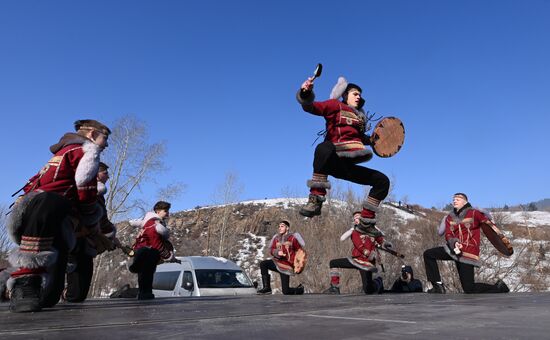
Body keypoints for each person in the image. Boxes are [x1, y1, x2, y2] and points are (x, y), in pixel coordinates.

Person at [6, 119, 110, 313]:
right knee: (53, 202)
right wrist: (90, 220)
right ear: (93, 135)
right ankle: (25, 285)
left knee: (50, 296)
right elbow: (85, 188)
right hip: (46, 212)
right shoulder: (86, 151)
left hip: (48, 217)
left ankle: (44, 292)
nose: (106, 144)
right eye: (105, 138)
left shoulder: (62, 153)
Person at [296, 76, 390, 237]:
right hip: (332, 159)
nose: (358, 96)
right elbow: (311, 107)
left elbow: (361, 139)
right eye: (355, 93)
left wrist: (378, 140)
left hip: (347, 164)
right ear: (345, 95)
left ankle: (366, 222)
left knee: (382, 181)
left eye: (360, 94)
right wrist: (306, 92)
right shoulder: (335, 105)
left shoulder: (359, 118)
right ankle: (316, 199)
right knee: (323, 147)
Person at [423, 193, 510, 294]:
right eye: (454, 199)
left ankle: (499, 288)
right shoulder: (450, 217)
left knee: (469, 289)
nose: (454, 201)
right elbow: (448, 234)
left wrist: (486, 214)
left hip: (468, 252)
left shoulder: (474, 213)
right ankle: (438, 286)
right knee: (428, 254)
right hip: (454, 250)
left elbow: (490, 225)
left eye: (458, 199)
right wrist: (454, 243)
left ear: (465, 202)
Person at [64, 161, 118, 302]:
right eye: (105, 173)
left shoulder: (97, 193)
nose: (108, 176)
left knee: (83, 283)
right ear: (96, 174)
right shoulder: (84, 190)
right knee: (75, 286)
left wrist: (109, 235)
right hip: (77, 238)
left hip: (87, 240)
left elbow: (102, 219)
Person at [323, 212, 387, 295]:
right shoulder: (355, 231)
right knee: (333, 263)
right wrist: (367, 252)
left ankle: (378, 281)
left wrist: (386, 244)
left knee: (368, 290)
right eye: (354, 219)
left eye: (358, 218)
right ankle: (334, 287)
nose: (356, 220)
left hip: (367, 263)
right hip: (356, 260)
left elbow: (381, 240)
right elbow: (357, 244)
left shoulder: (373, 231)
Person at [128, 201, 175, 300]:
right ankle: (146, 293)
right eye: (165, 211)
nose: (167, 213)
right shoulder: (156, 224)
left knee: (143, 273)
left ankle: (143, 292)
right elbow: (156, 243)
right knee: (148, 273)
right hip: (150, 251)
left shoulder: (147, 222)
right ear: (157, 211)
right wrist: (168, 256)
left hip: (140, 249)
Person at [257, 220, 305, 295]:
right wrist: (277, 252)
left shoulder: (293, 238)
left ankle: (299, 290)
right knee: (263, 264)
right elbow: (271, 249)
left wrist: (297, 264)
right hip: (277, 262)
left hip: (287, 266)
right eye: (279, 226)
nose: (280, 228)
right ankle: (267, 288)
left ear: (287, 228)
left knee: (286, 292)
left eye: (282, 226)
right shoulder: (276, 238)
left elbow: (299, 251)